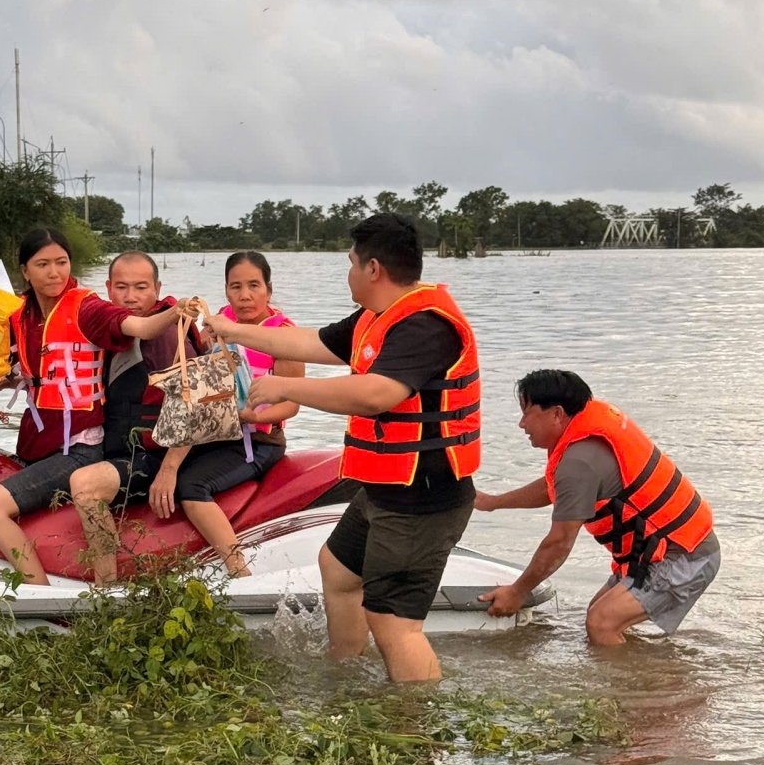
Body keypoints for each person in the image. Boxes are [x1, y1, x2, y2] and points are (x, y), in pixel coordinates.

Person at [212, 214, 480, 681]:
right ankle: (348, 677)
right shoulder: (376, 318)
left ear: (373, 268)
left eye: (352, 263)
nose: (349, 272)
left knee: (394, 622)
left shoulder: (425, 325)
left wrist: (288, 388)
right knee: (337, 570)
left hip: (423, 495)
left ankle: (416, 726)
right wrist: (232, 331)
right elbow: (310, 341)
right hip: (384, 486)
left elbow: (376, 394)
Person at [0, 228, 189, 584]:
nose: (54, 272)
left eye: (62, 262)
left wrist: (176, 313)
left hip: (79, 448)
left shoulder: (87, 308)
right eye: (43, 264)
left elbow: (141, 327)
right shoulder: (22, 315)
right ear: (24, 271)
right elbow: (22, 367)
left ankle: (50, 596)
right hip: (39, 443)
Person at [474, 369, 719, 643]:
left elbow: (559, 542)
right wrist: (492, 503)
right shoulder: (582, 441)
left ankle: (634, 685)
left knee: (601, 623)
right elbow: (554, 488)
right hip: (668, 549)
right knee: (597, 613)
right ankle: (647, 671)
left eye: (526, 413)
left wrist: (518, 591)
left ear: (556, 413)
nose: (521, 424)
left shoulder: (579, 462)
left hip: (684, 554)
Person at [166, 250, 302, 577]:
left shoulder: (283, 335)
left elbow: (292, 405)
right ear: (226, 290)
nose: (245, 296)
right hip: (217, 435)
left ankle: (239, 572)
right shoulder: (218, 322)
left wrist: (251, 416)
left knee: (190, 485)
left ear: (268, 289)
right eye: (235, 287)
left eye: (254, 285)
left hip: (259, 441)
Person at [69, 250, 203, 583]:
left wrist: (169, 471)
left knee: (84, 486)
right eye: (122, 287)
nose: (131, 298)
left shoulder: (167, 336)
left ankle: (106, 589)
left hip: (153, 457)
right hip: (116, 450)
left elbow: (196, 406)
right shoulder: (106, 331)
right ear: (107, 289)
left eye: (141, 288)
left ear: (157, 289)